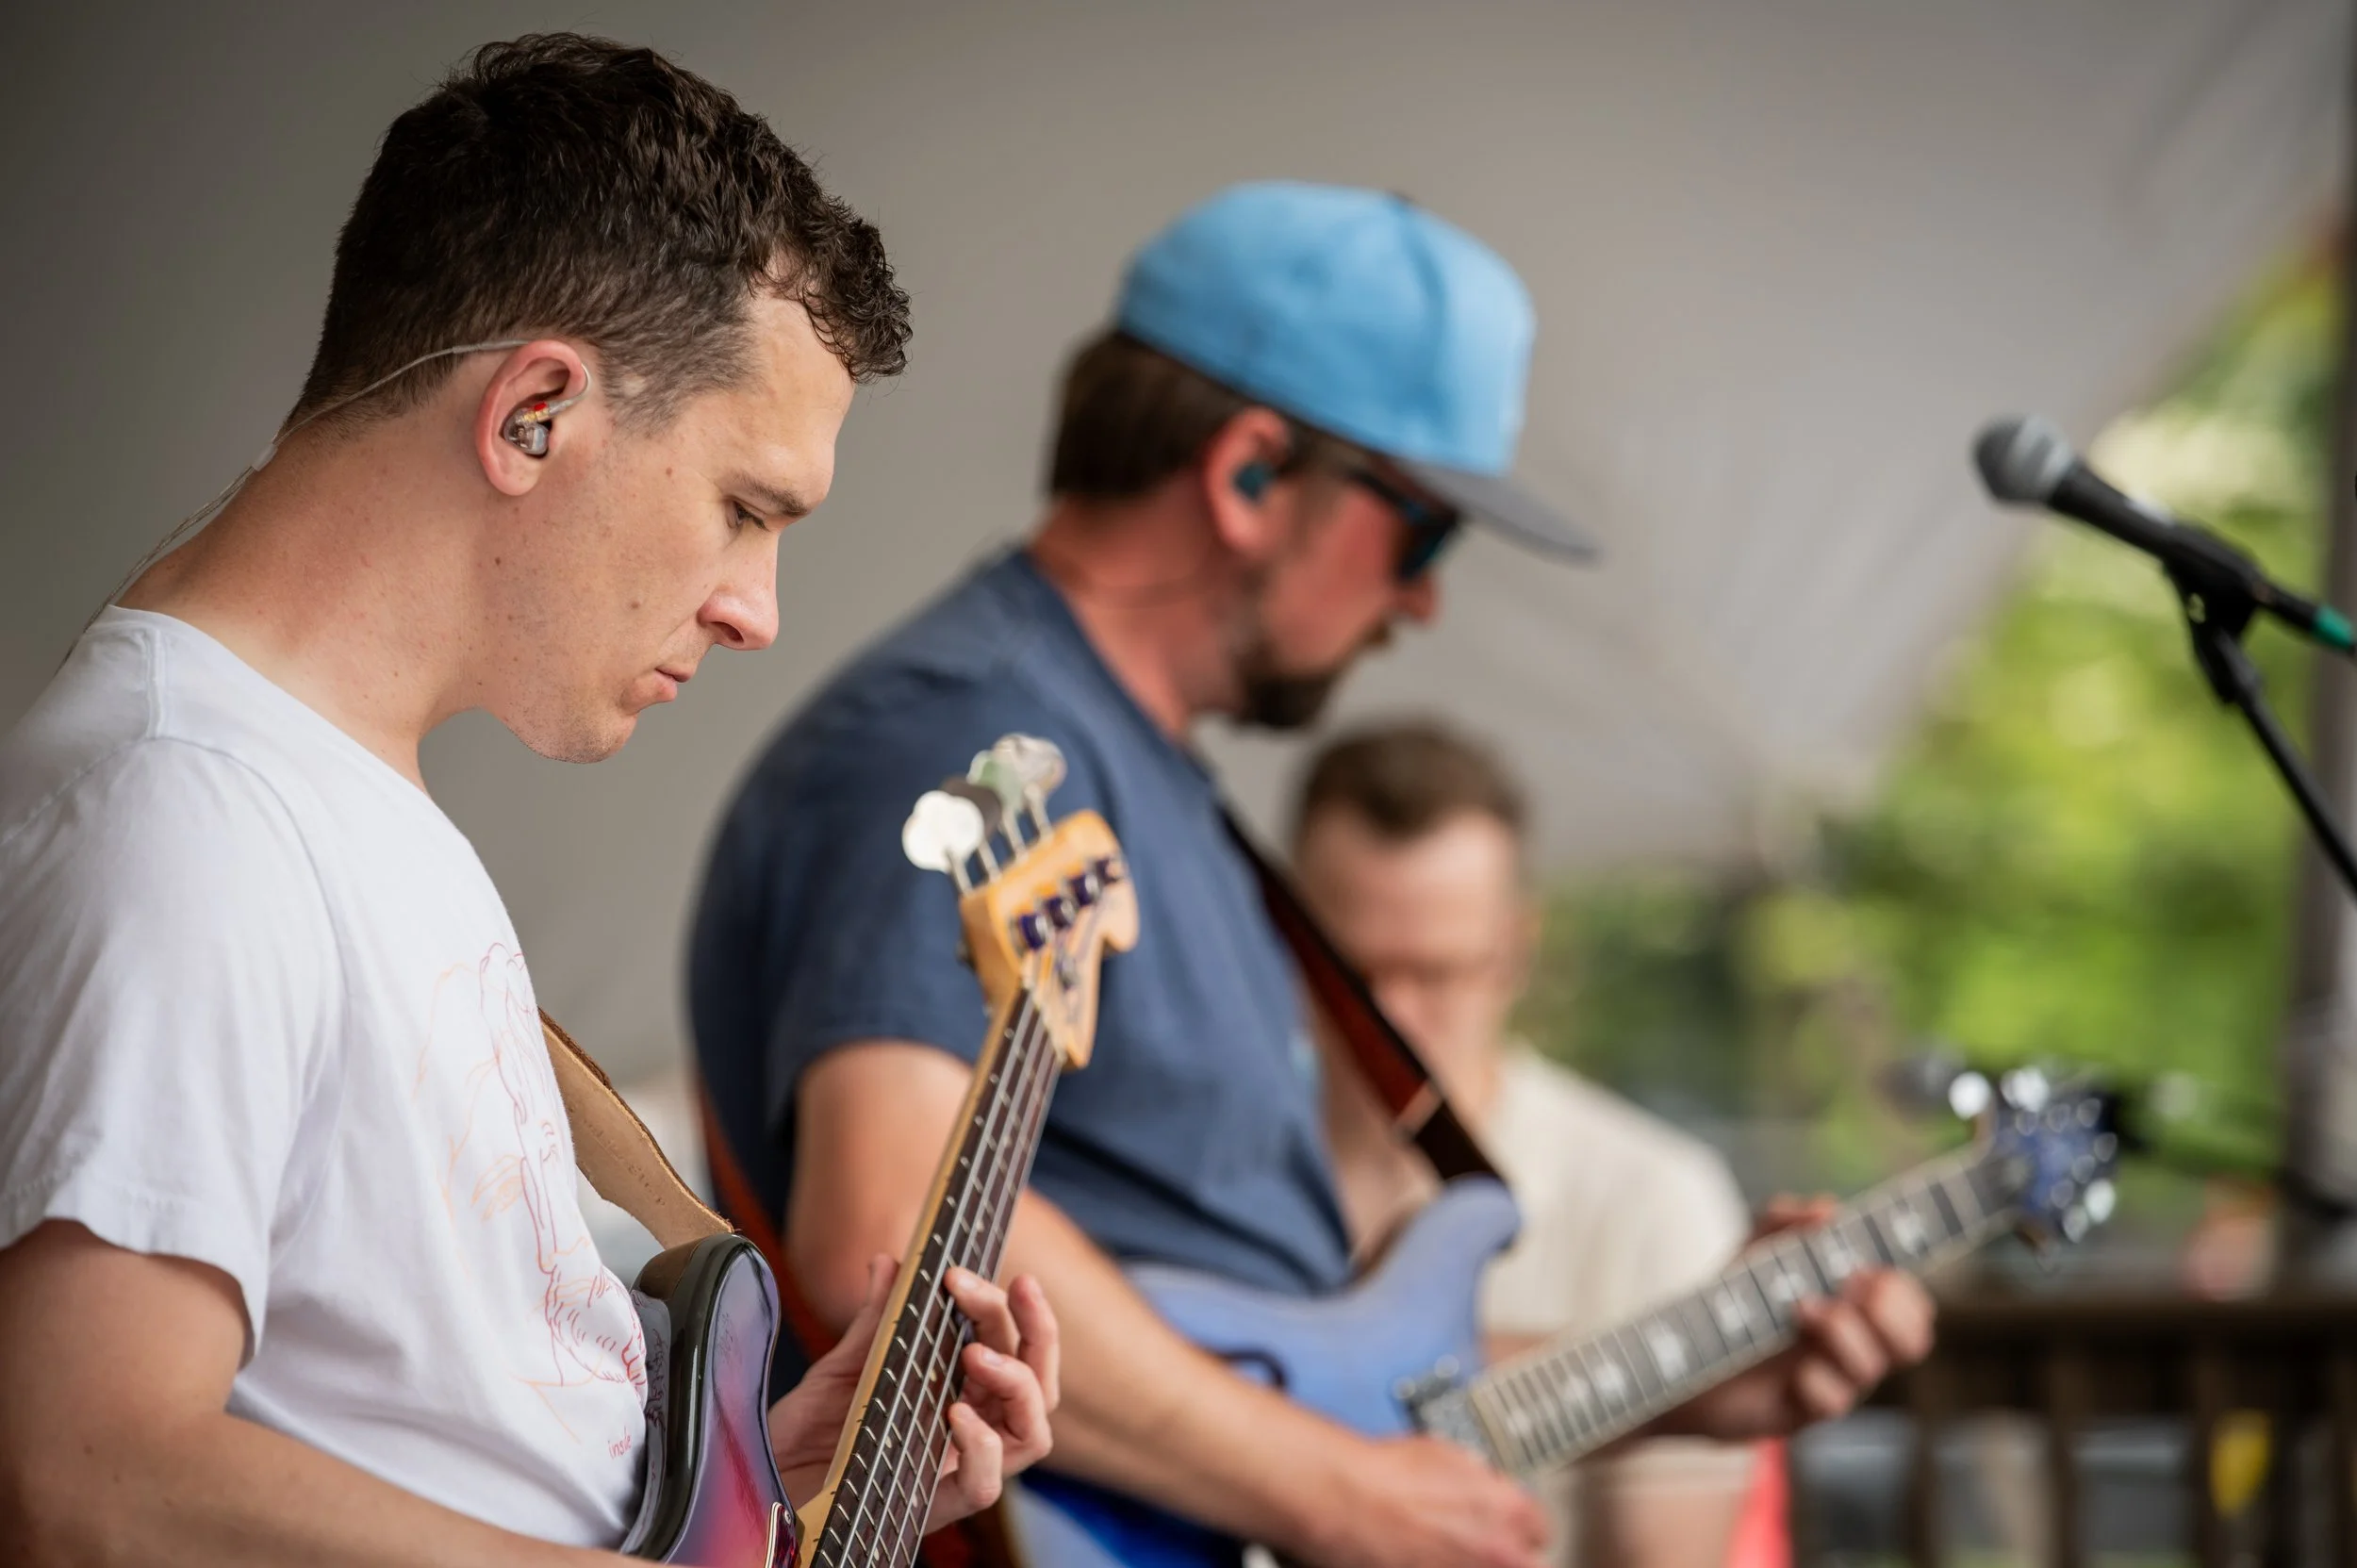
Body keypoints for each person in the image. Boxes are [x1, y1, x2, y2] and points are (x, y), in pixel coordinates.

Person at [690, 180, 1935, 1568]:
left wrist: (1683, 1372)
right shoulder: (980, 743)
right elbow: (895, 1228)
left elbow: (1292, 1358)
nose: (1424, 600)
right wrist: (1329, 1495)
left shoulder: (1147, 777)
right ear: (1249, 475)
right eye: (1424, 530)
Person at [0, 35, 1056, 1568]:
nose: (759, 607)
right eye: (745, 509)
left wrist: (756, 1469)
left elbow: (438, 1424)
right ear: (535, 413)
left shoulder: (341, 796)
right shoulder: (186, 821)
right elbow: (90, 1474)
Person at [1294, 718, 1769, 1568]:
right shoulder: (1193, 1172)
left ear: (1515, 949)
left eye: (1438, 971)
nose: (1394, 1017)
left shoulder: (1651, 1195)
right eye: (1356, 974)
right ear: (1285, 942)